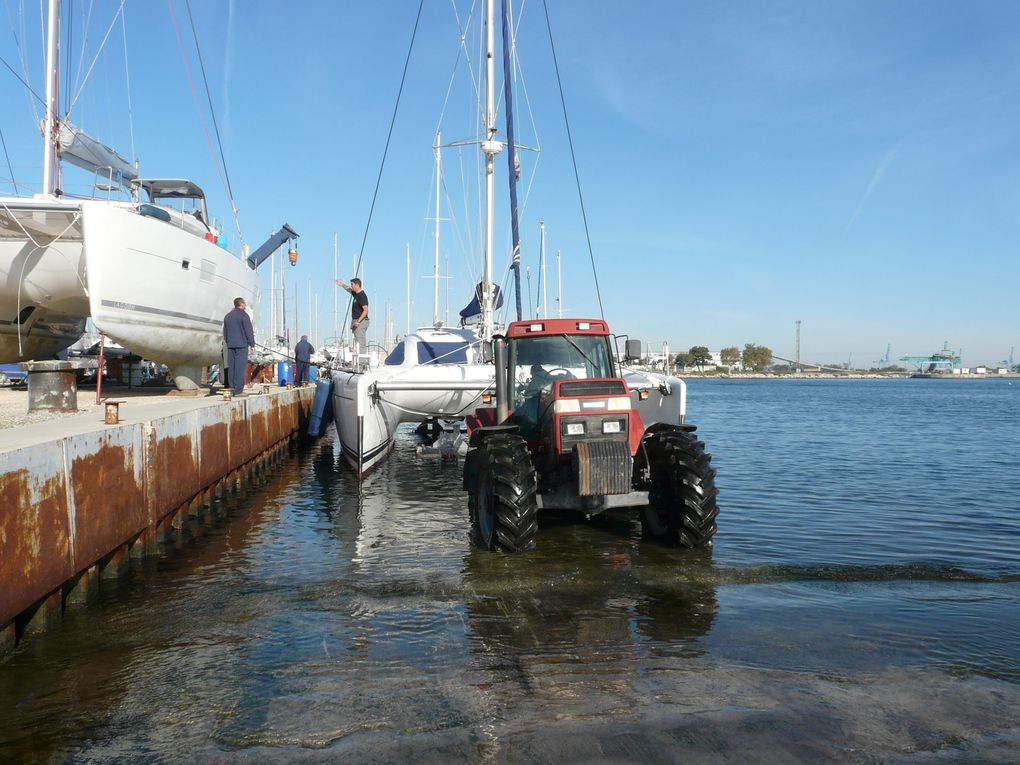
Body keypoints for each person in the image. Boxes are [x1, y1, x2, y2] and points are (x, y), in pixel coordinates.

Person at [223, 297, 255, 395]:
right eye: (244, 303)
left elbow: (225, 332)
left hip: (230, 345)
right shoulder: (244, 315)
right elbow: (248, 331)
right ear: (241, 304)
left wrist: (229, 342)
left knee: (231, 367)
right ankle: (238, 390)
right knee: (240, 368)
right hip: (241, 345)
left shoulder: (228, 316)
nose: (245, 305)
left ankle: (232, 388)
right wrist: (252, 344)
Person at [335, 277, 369, 368]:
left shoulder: (362, 295)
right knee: (356, 342)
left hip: (361, 321)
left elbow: (365, 310)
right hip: (355, 321)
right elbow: (349, 290)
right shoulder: (356, 294)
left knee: (360, 342)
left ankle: (361, 364)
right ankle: (357, 363)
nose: (351, 286)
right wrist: (341, 284)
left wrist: (358, 321)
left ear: (357, 285)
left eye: (352, 284)